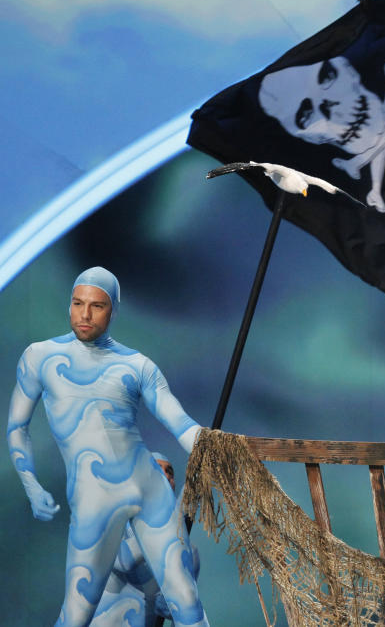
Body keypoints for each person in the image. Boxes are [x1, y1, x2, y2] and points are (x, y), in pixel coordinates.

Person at [7, 267, 208, 627]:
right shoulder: (40, 357)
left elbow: (180, 422)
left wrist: (219, 448)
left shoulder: (138, 365)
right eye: (77, 303)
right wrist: (31, 484)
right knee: (77, 612)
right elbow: (17, 428)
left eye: (96, 306)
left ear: (112, 310)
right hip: (94, 499)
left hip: (149, 488)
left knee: (188, 603)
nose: (84, 315)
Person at [90, 453, 200, 627]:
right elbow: (126, 560)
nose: (166, 476)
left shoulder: (188, 552)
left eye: (169, 472)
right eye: (156, 470)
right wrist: (176, 517)